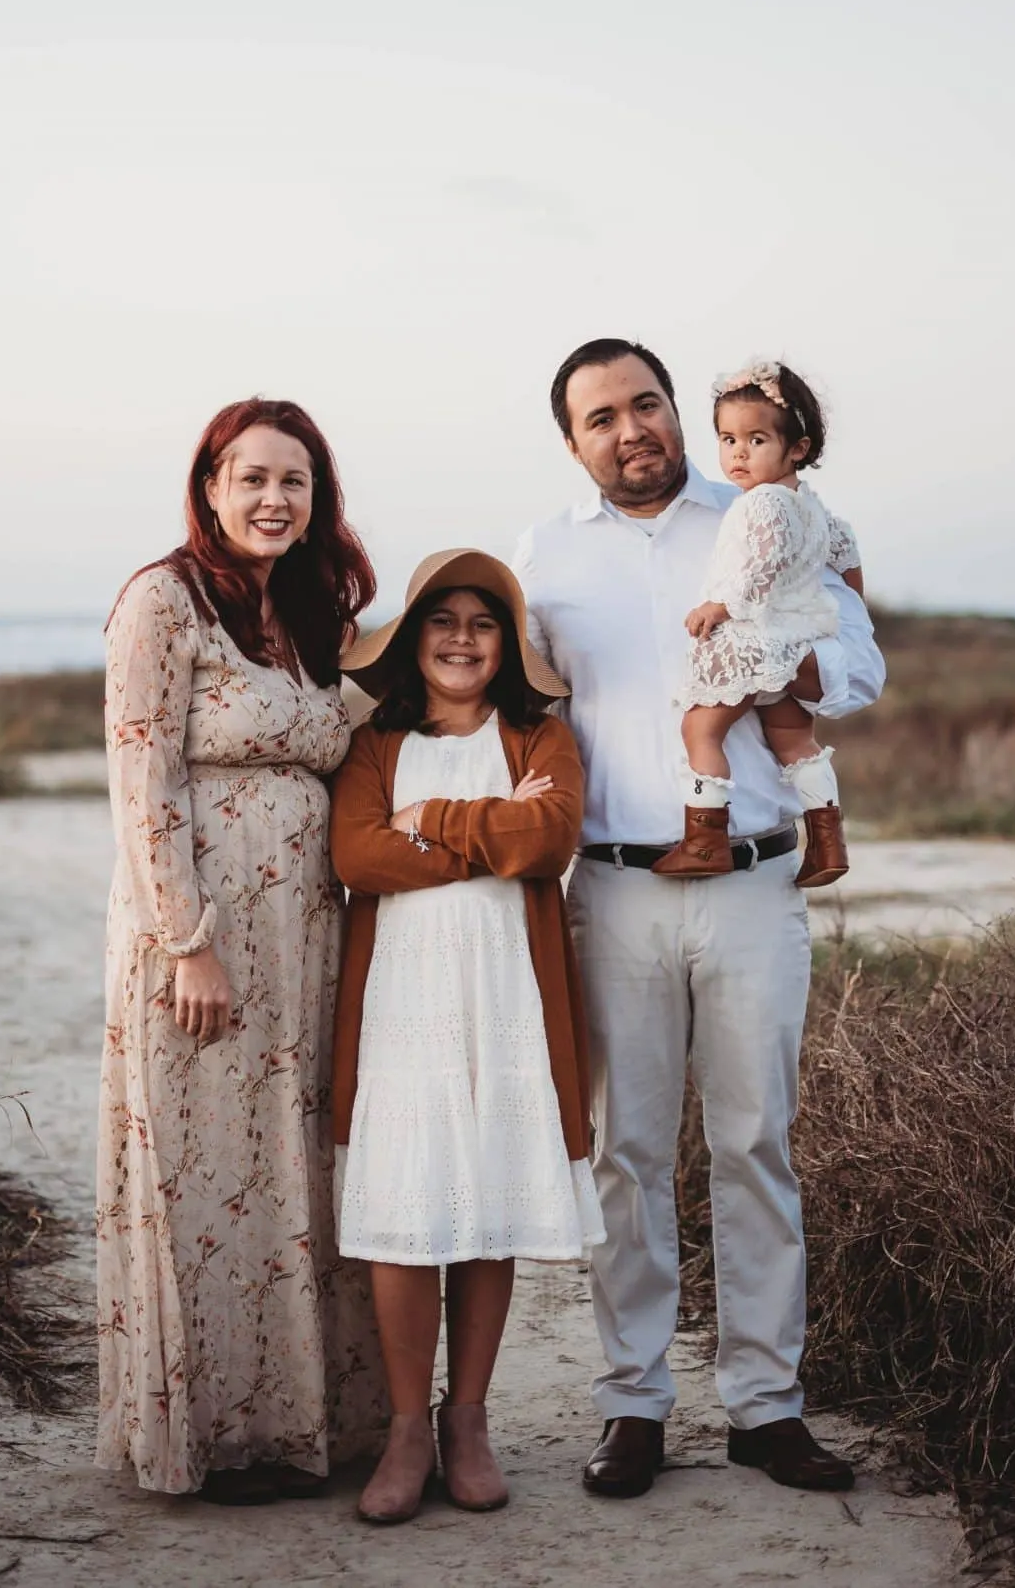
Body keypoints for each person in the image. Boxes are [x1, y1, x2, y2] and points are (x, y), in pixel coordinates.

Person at [511, 338, 886, 1499]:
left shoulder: (762, 515)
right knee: (626, 1154)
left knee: (755, 1144)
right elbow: (509, 703)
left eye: (646, 404)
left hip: (754, 883)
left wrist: (783, 668)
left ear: (676, 411)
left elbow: (862, 668)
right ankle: (632, 1403)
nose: (631, 429)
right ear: (572, 440)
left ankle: (766, 1406)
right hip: (612, 889)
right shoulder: (544, 557)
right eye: (600, 417)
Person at [96, 397, 387, 1504]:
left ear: (318, 501)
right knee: (204, 1167)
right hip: (204, 936)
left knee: (292, 1162)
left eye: (295, 482)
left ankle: (304, 1423)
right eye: (253, 477)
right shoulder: (160, 601)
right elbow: (143, 777)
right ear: (209, 485)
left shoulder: (305, 615)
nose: (274, 499)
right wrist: (187, 941)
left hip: (305, 934)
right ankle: (212, 1433)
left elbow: (352, 725)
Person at [325, 550, 601, 1524]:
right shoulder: (376, 744)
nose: (460, 637)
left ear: (506, 643)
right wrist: (489, 833)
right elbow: (355, 851)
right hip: (402, 998)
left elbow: (551, 837)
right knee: (406, 1204)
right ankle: (406, 1426)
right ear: (411, 639)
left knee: (488, 1197)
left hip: (509, 998)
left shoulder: (539, 736)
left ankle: (467, 1419)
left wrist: (431, 821)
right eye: (440, 619)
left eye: (482, 621)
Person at [657, 358, 865, 886]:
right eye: (727, 440)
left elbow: (760, 563)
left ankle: (704, 839)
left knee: (700, 727)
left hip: (753, 638)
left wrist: (721, 606)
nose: (738, 454)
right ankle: (827, 839)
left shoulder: (762, 503)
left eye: (755, 440)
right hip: (800, 639)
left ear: (798, 447)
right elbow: (846, 560)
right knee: (794, 741)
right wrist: (840, 611)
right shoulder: (815, 508)